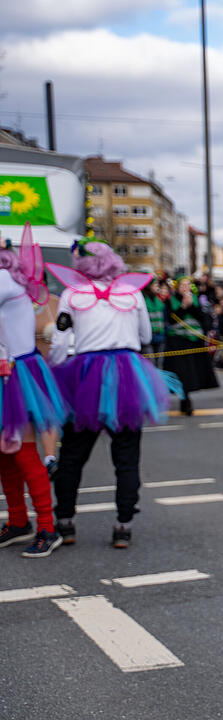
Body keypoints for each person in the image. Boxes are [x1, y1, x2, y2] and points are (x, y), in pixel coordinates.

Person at [48, 241, 169, 549]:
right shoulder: (132, 292)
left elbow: (60, 343)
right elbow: (145, 336)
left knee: (73, 453)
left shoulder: (72, 293)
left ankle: (65, 521)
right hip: (126, 373)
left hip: (86, 373)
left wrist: (58, 371)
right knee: (126, 455)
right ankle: (123, 525)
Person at [0, 236, 69, 557]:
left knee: (25, 453)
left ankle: (47, 527)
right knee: (4, 455)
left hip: (17, 375)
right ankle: (18, 521)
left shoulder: (6, 279)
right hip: (7, 372)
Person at [164, 275, 219, 415]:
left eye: (188, 285)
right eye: (182, 285)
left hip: (193, 341)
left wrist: (192, 306)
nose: (185, 288)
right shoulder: (171, 301)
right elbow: (171, 320)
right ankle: (185, 399)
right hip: (177, 341)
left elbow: (203, 319)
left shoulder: (196, 300)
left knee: (192, 372)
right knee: (181, 372)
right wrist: (183, 306)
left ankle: (187, 397)